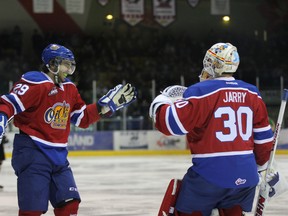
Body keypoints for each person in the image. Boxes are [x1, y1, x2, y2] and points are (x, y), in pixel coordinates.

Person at [0, 43, 137, 216]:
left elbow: (82, 118)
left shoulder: (70, 88)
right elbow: (8, 104)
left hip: (59, 157)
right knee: (32, 211)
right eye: (65, 64)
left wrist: (104, 107)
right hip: (33, 152)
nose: (69, 68)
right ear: (51, 64)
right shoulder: (35, 82)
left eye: (71, 65)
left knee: (70, 205)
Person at [149, 42, 274, 216]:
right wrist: (259, 169)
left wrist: (162, 99)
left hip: (209, 177)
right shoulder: (253, 93)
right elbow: (265, 143)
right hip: (246, 179)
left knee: (179, 206)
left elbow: (169, 123)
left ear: (212, 63)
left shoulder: (201, 91)